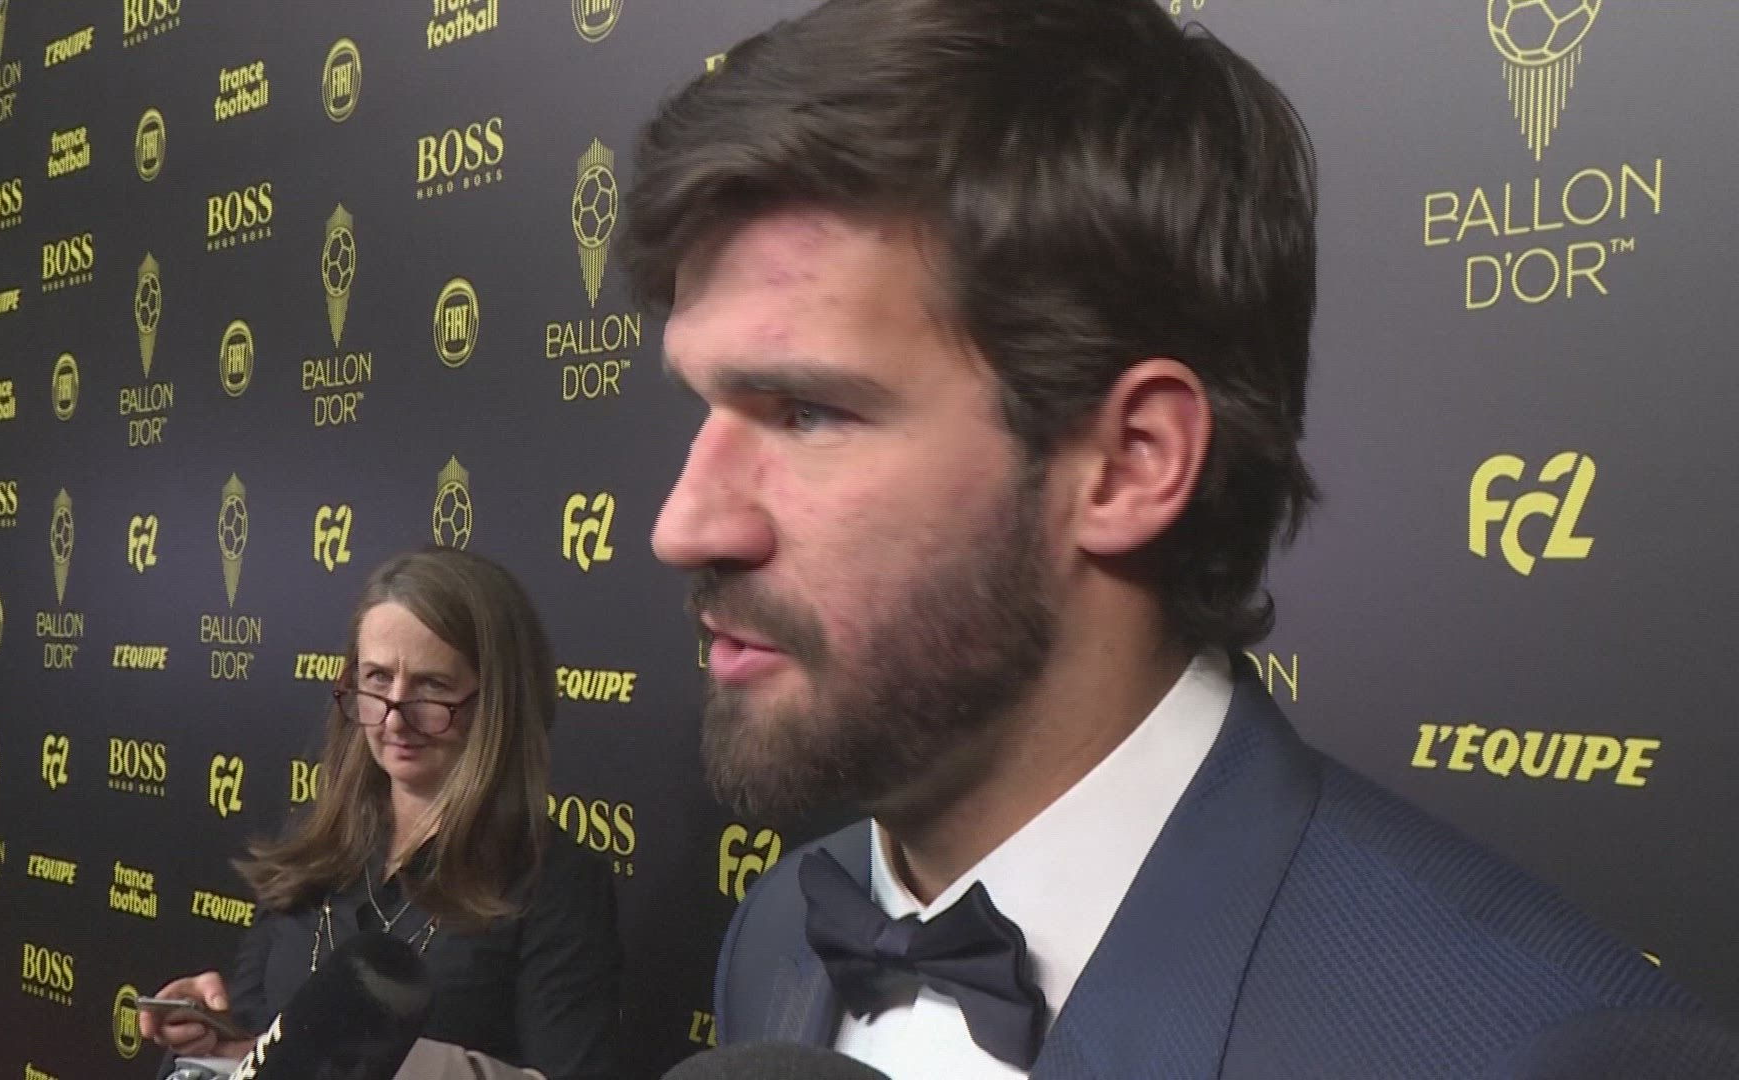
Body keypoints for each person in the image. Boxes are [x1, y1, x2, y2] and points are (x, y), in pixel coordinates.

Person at [620, 0, 1739, 1076]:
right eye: (703, 407)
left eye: (807, 413)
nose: (682, 524)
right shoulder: (783, 925)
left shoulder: (1529, 1052)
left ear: (1131, 464)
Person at [141, 548, 624, 1079]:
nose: (395, 719)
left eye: (432, 687)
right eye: (376, 680)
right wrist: (214, 1036)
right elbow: (258, 1042)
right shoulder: (313, 845)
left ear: (497, 703)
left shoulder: (555, 885)